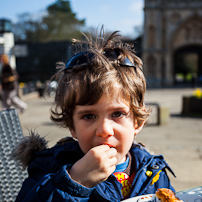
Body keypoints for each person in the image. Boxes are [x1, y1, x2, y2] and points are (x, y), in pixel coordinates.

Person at [13, 29, 175, 201]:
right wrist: (75, 181)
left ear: (137, 122)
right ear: (72, 127)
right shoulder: (49, 168)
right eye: (89, 116)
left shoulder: (152, 171)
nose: (104, 130)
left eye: (117, 114)